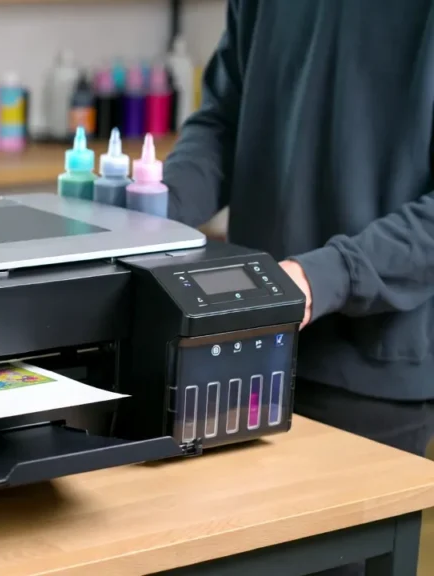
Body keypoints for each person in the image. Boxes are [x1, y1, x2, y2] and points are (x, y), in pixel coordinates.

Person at [164, 0, 434, 465]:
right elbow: (224, 119)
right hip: (242, 349)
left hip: (367, 373)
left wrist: (324, 277)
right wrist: (155, 207)